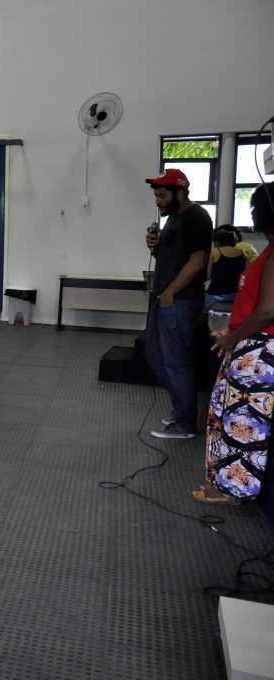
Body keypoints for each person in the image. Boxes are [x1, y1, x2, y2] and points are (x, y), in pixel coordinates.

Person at [200, 183, 274, 504]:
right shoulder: (266, 251)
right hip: (249, 346)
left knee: (245, 422)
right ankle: (224, 483)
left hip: (259, 352)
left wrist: (233, 336)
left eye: (256, 207)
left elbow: (268, 310)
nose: (252, 212)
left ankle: (234, 490)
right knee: (228, 415)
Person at [144, 168, 214, 439]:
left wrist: (171, 293)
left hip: (179, 301)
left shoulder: (196, 217)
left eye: (162, 195)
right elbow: (169, 258)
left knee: (177, 362)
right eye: (156, 196)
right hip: (164, 298)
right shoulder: (174, 218)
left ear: (180, 193)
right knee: (155, 355)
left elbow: (197, 262)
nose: (158, 201)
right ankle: (182, 410)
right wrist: (153, 245)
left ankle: (185, 424)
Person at [205, 228, 247, 312]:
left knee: (203, 314)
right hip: (236, 295)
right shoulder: (242, 252)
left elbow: (208, 276)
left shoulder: (215, 252)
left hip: (215, 295)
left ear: (217, 242)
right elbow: (247, 274)